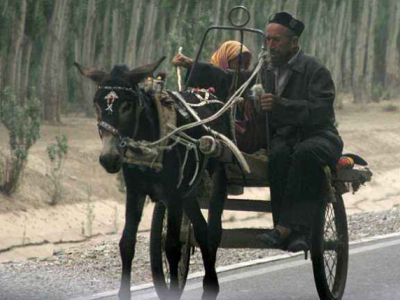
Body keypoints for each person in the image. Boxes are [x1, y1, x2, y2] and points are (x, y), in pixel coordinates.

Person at [257, 12, 343, 252]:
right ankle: (289, 233)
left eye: (276, 41)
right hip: (285, 139)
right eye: (267, 40)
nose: (270, 46)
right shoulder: (264, 70)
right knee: (279, 154)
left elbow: (321, 111)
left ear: (293, 42)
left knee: (305, 153)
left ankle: (286, 228)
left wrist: (280, 105)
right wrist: (196, 67)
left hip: (321, 136)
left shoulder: (315, 69)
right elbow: (232, 79)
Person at [172, 40, 266, 154]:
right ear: (225, 60)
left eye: (247, 64)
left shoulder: (246, 85)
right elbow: (223, 76)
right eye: (240, 63)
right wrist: (191, 64)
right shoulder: (211, 78)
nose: (244, 68)